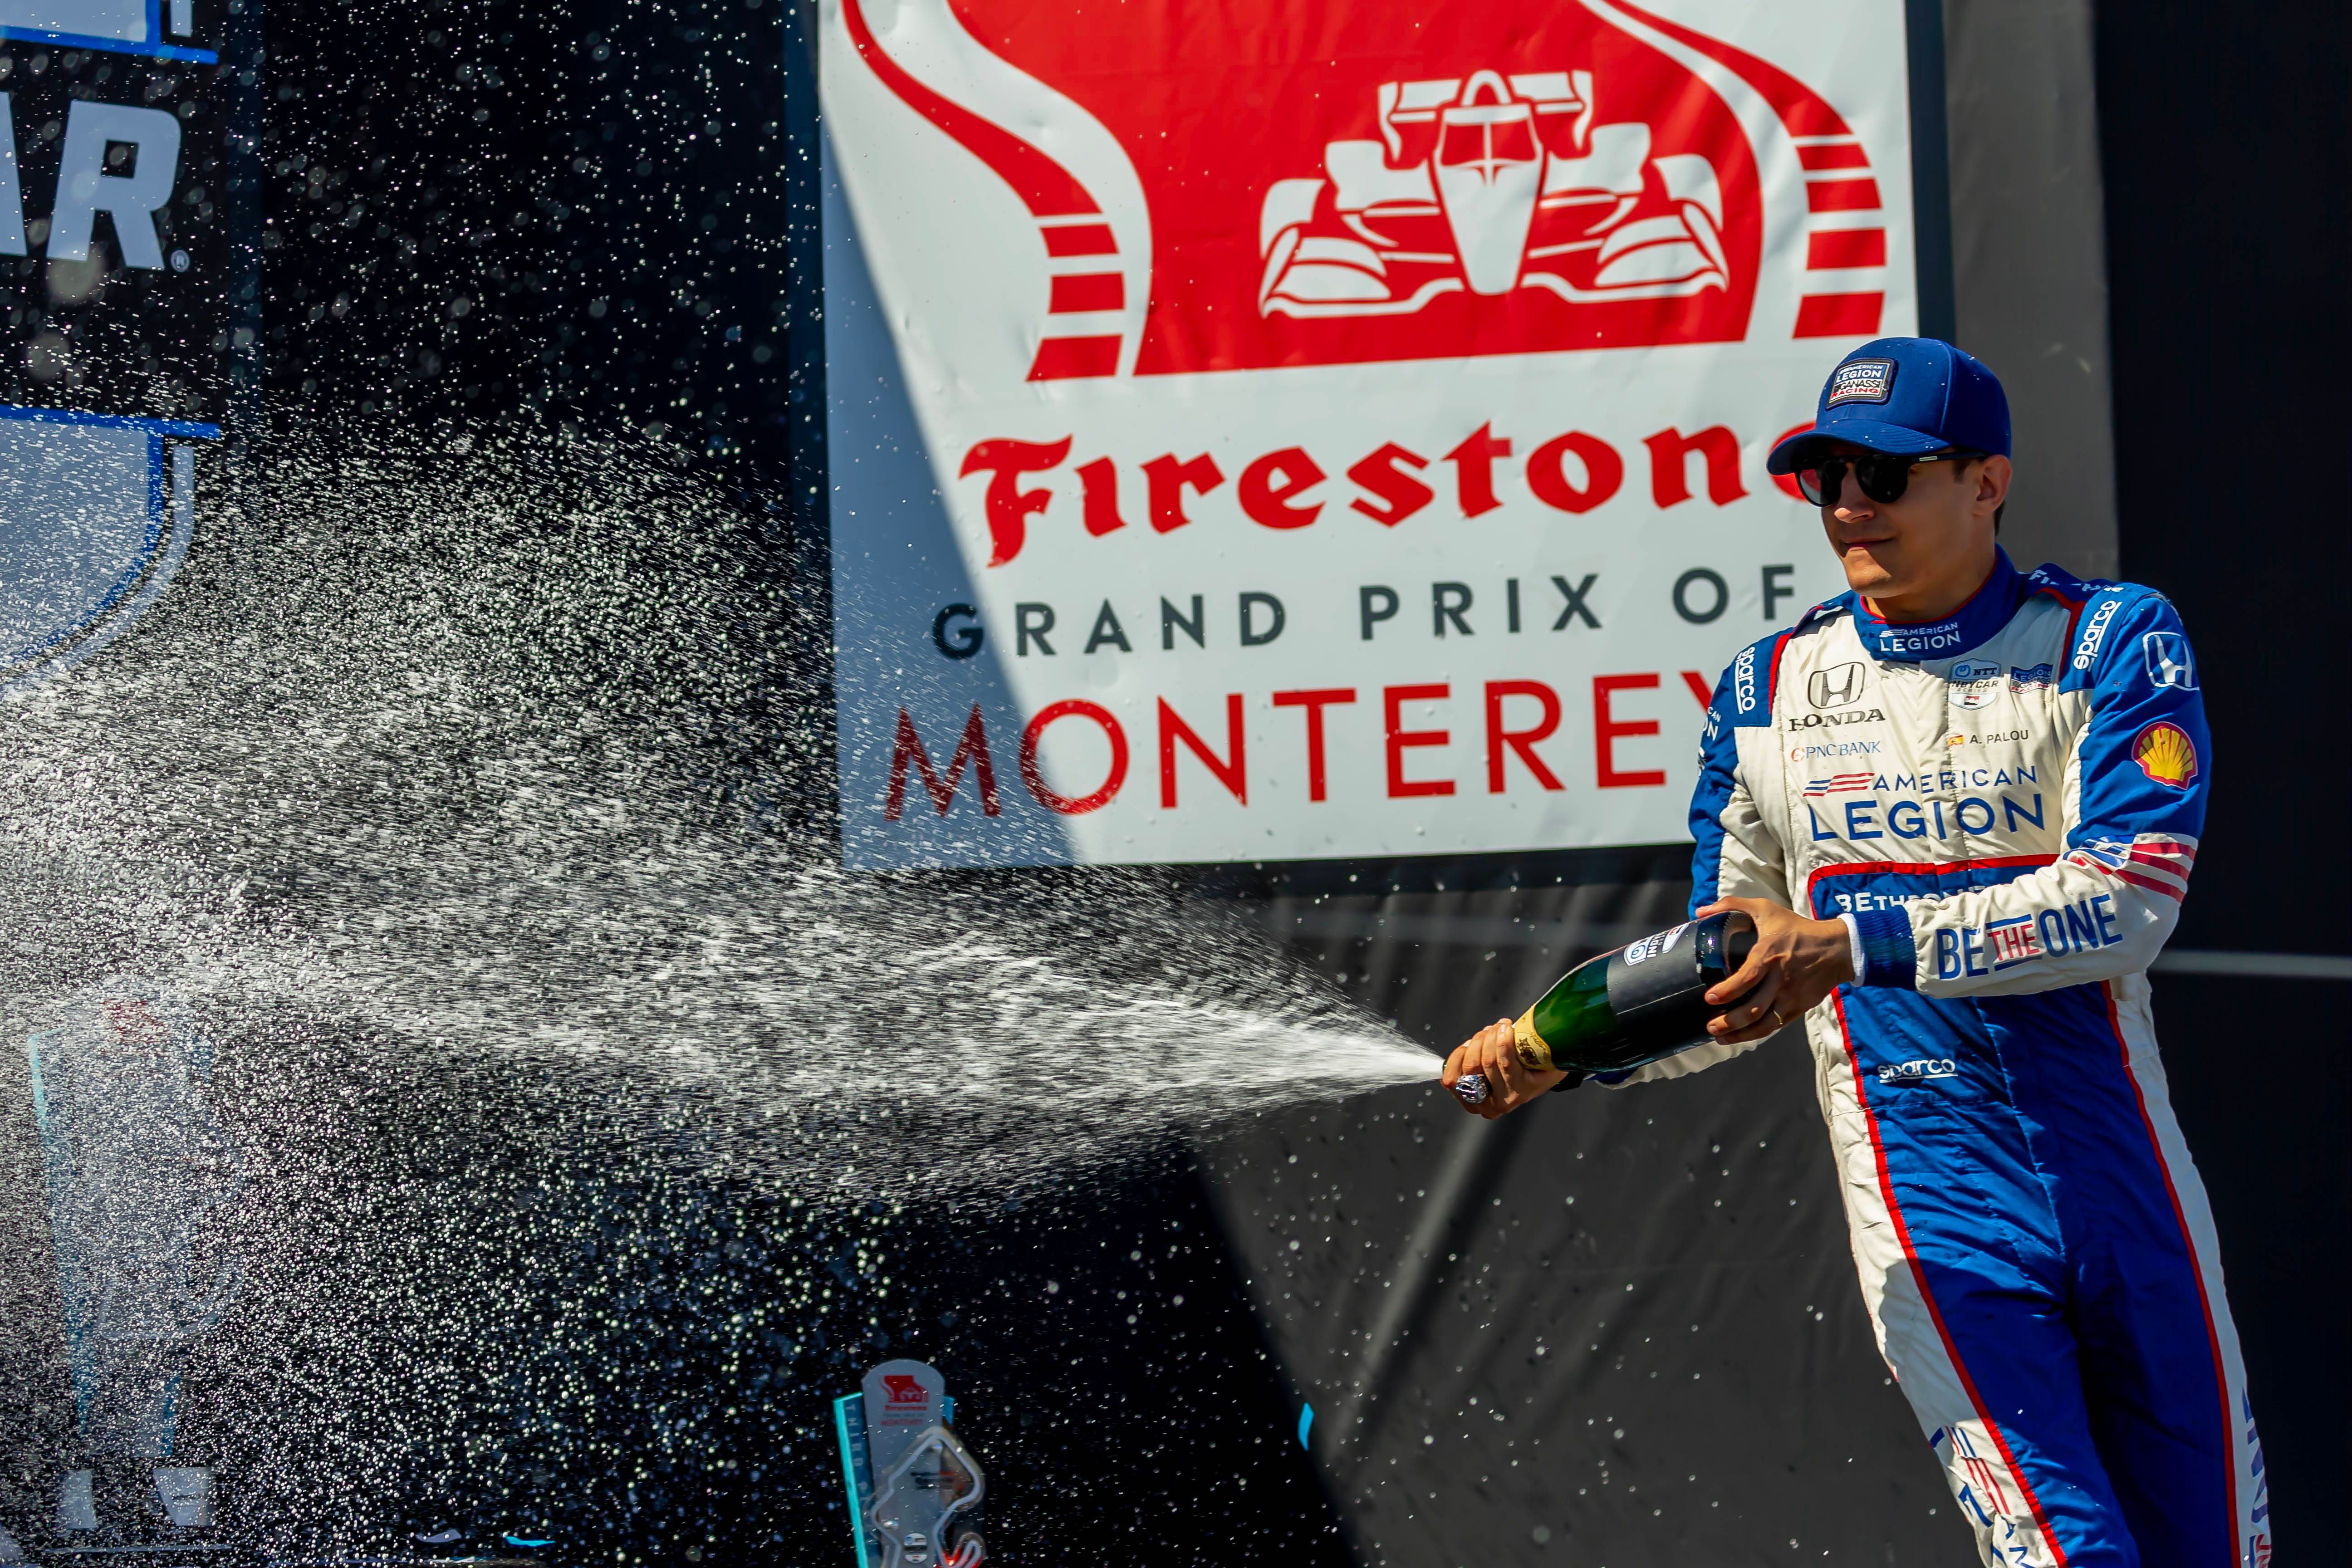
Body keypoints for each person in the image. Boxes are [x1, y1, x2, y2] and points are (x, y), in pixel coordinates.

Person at [1442, 338, 2267, 1568]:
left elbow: (2125, 903)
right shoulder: (1769, 690)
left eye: (1885, 474)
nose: (1848, 507)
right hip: (1936, 1218)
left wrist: (1853, 941)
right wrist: (1569, 1057)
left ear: (1987, 482)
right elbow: (1729, 981)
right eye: (1824, 477)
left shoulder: (2108, 644)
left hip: (2130, 1193)